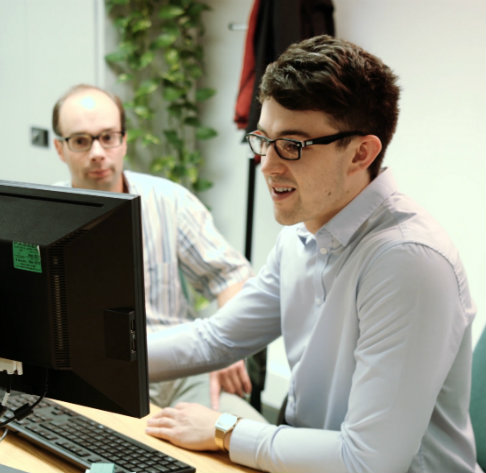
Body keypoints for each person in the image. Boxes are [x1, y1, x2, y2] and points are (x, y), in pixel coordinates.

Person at [144, 35, 481, 473]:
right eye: (264, 140)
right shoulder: (303, 232)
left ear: (361, 153)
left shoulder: (408, 261)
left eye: (293, 145)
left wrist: (224, 431)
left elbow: (369, 462)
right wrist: (88, 355)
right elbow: (218, 339)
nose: (267, 164)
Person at [51, 84, 262, 420]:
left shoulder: (168, 200)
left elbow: (231, 276)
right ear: (60, 149)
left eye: (108, 137)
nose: (97, 152)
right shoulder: (45, 218)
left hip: (181, 370)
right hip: (98, 377)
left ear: (124, 140)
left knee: (246, 433)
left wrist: (227, 343)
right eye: (80, 141)